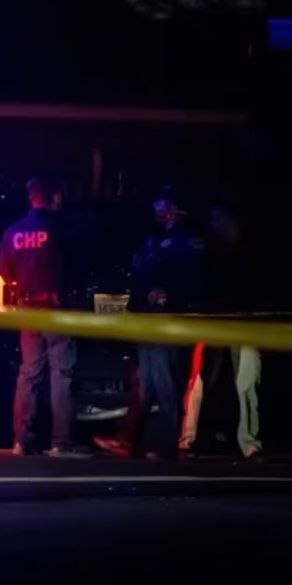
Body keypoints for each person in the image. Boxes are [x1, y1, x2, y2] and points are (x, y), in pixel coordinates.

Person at [0, 176, 89, 458]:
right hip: (57, 308)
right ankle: (62, 441)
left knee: (29, 373)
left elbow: (5, 274)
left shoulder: (13, 232)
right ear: (55, 197)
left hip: (28, 309)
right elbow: (75, 268)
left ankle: (22, 440)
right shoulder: (61, 229)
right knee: (61, 373)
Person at [125, 187, 206, 462]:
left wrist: (168, 293)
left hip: (168, 319)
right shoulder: (151, 239)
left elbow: (193, 280)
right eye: (158, 208)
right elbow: (140, 275)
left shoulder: (187, 240)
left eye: (166, 208)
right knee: (145, 385)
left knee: (166, 384)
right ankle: (137, 442)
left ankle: (165, 445)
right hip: (146, 320)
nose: (162, 213)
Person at [179, 201, 262, 461]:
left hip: (244, 322)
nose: (217, 224)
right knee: (199, 377)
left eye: (220, 219)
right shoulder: (209, 248)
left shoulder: (248, 249)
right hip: (211, 320)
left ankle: (249, 443)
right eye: (214, 219)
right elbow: (199, 282)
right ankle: (188, 438)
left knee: (246, 380)